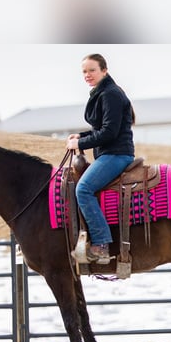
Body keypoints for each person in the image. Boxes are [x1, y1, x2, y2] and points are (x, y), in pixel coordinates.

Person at [66, 53, 135, 264]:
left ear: (104, 70)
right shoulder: (103, 92)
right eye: (84, 72)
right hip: (110, 153)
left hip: (116, 154)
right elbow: (102, 128)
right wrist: (82, 136)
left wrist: (80, 144)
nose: (87, 75)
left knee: (83, 189)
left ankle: (101, 244)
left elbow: (109, 133)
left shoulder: (109, 94)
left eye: (92, 70)